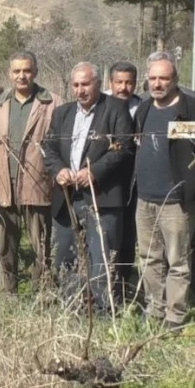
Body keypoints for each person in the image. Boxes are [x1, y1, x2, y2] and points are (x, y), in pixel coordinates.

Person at [43, 63, 136, 312]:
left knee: (102, 258)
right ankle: (71, 307)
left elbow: (124, 148)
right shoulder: (62, 113)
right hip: (66, 197)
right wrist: (59, 170)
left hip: (102, 198)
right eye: (75, 85)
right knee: (65, 256)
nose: (80, 90)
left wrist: (95, 172)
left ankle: (105, 312)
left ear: (97, 83)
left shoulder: (116, 109)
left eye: (85, 84)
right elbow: (48, 148)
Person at [133, 52, 195, 330]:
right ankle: (154, 308)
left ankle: (175, 315)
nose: (157, 83)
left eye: (163, 78)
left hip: (177, 200)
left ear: (175, 80)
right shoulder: (143, 109)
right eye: (153, 78)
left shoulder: (193, 108)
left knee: (177, 260)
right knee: (148, 257)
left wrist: (193, 182)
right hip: (145, 198)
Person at [0, 51, 60, 292]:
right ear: (9, 73)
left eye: (26, 70)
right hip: (4, 184)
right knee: (6, 244)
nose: (21, 76)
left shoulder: (52, 102)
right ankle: (9, 291)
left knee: (40, 243)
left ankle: (42, 292)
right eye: (16, 71)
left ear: (35, 72)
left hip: (37, 183)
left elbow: (60, 145)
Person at [107, 62, 143, 301]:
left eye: (129, 82)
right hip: (106, 182)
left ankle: (123, 285)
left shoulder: (142, 107)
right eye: (119, 82)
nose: (124, 87)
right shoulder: (102, 106)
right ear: (111, 83)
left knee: (129, 236)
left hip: (134, 182)